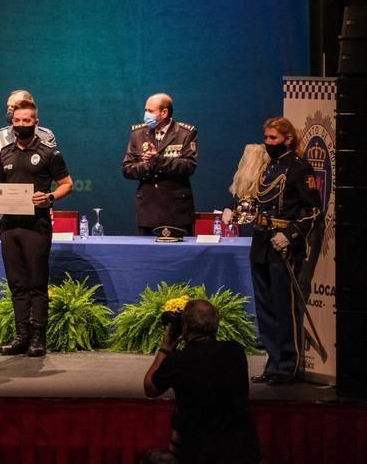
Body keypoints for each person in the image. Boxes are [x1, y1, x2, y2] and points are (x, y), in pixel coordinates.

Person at [221, 117, 321, 385]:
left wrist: (290, 236)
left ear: (287, 139)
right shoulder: (267, 168)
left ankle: (288, 365)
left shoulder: (300, 169)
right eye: (266, 138)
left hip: (283, 246)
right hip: (262, 243)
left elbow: (313, 211)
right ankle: (272, 361)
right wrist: (234, 209)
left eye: (273, 138)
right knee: (265, 308)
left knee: (283, 308)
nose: (268, 143)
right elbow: (255, 201)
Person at [0, 99, 72, 357]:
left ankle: (38, 339)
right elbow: (0, 187)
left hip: (37, 225)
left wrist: (50, 197)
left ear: (36, 122)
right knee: (16, 284)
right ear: (12, 124)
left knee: (36, 283)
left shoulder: (49, 153)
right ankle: (21, 336)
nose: (21, 125)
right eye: (17, 121)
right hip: (9, 226)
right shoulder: (5, 153)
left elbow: (67, 183)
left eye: (26, 121)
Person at [143, 299, 261, 463]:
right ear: (216, 325)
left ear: (185, 327)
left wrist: (166, 348)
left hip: (198, 453)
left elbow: (150, 388)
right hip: (242, 453)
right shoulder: (236, 352)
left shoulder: (178, 360)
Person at [122, 93, 198, 240]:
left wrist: (158, 160)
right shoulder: (138, 134)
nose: (145, 115)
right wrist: (147, 165)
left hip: (176, 210)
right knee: (148, 259)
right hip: (148, 210)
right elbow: (127, 169)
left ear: (164, 113)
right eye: (145, 110)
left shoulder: (185, 133)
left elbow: (189, 166)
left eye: (150, 111)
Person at [0, 90, 56, 228]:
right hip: (4, 212)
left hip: (37, 212)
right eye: (8, 106)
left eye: (13, 105)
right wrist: (7, 173)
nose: (10, 109)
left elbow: (51, 171)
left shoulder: (45, 136)